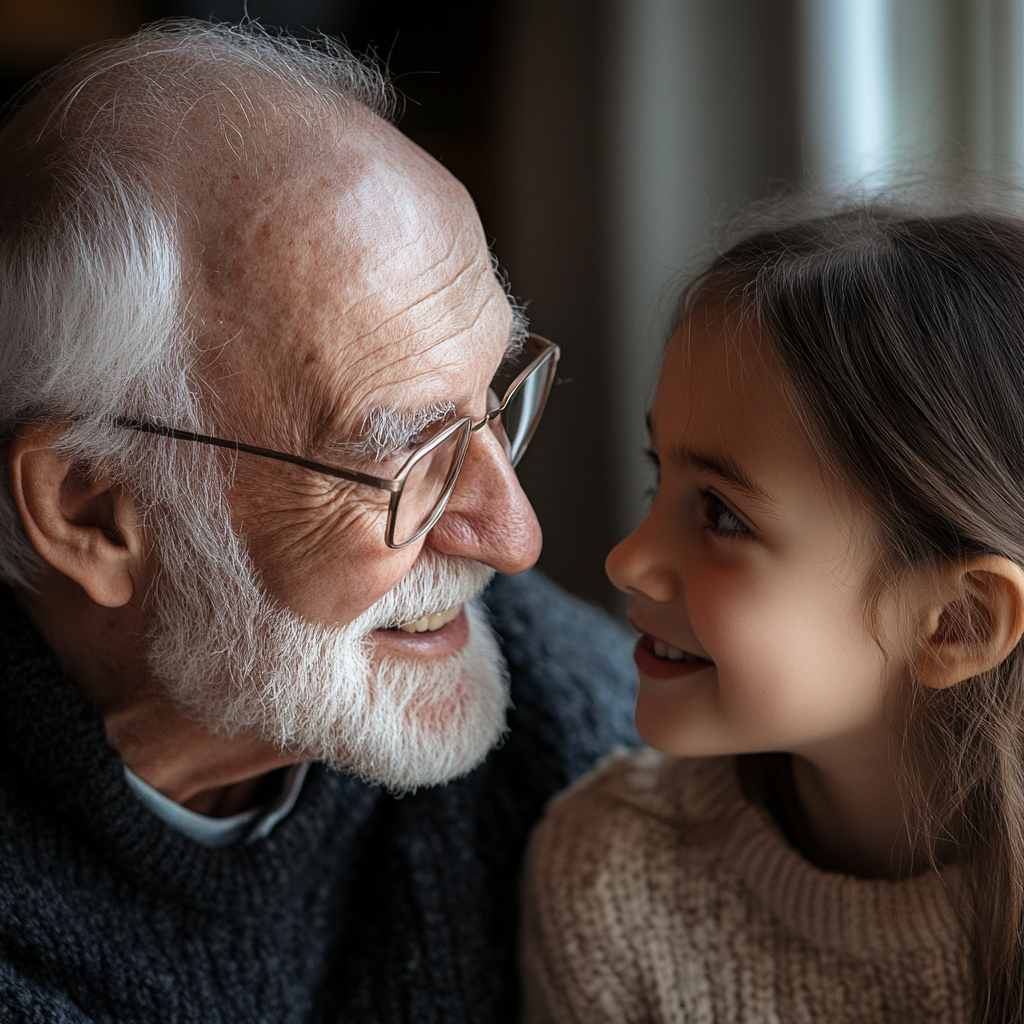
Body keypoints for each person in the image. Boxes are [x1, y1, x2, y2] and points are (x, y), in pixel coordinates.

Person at [0, 20, 637, 1023]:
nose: (514, 538)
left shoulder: (583, 747)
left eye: (492, 404)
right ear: (92, 511)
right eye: (406, 457)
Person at [521, 198, 1024, 1023]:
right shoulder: (612, 873)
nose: (627, 560)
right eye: (660, 480)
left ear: (958, 623)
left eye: (722, 514)